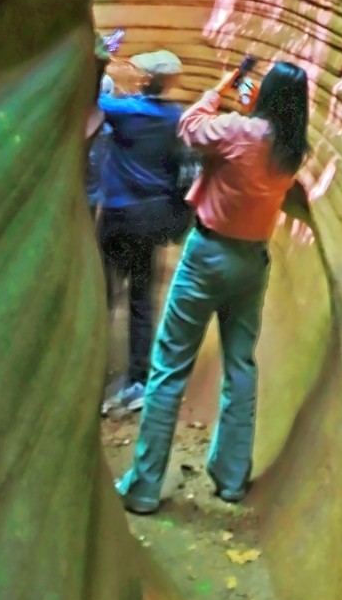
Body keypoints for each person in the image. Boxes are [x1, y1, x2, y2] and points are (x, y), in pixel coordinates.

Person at [115, 60, 311, 512]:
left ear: (267, 94)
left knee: (168, 369)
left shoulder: (238, 131)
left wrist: (222, 86)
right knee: (240, 365)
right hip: (252, 262)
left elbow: (189, 126)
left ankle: (144, 487)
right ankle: (230, 478)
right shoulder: (292, 150)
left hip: (207, 256)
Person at [96, 49, 194, 415]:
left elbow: (94, 98)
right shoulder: (174, 117)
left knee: (104, 294)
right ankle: (138, 380)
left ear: (144, 79)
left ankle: (90, 372)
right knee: (141, 300)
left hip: (119, 216)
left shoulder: (125, 112)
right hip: (153, 220)